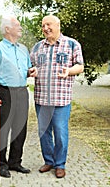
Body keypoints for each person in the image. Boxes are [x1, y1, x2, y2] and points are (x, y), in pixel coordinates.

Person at [29, 14, 84, 178]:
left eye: (48, 25)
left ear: (58, 25)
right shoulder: (37, 47)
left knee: (60, 132)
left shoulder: (72, 44)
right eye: (43, 25)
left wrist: (69, 71)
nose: (45, 28)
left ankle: (60, 164)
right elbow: (31, 66)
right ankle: (49, 161)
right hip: (41, 99)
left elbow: (80, 66)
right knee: (44, 132)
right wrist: (32, 71)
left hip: (61, 99)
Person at [0, 16, 36, 178]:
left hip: (22, 92)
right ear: (7, 29)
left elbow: (27, 70)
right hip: (4, 93)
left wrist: (31, 72)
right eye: (17, 25)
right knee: (2, 130)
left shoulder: (23, 49)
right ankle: (1, 165)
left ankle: (15, 162)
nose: (21, 28)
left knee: (20, 130)